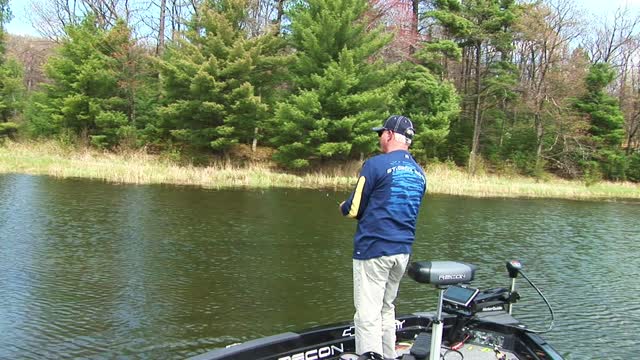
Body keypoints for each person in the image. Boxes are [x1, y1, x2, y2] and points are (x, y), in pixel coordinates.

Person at [339, 115, 427, 359]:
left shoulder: (375, 164)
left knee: (367, 314)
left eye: (381, 133)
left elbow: (353, 209)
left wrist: (342, 207)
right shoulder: (419, 173)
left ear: (389, 134)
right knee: (387, 309)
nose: (379, 138)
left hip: (373, 250)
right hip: (402, 252)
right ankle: (388, 355)